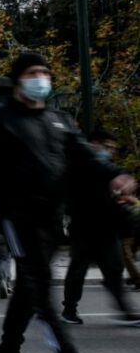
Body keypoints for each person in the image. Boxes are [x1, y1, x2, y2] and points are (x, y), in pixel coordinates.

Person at [0, 52, 137, 353]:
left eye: (45, 72)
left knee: (29, 288)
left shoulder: (57, 120)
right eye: (34, 72)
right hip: (16, 216)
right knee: (40, 285)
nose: (41, 78)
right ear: (18, 80)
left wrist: (114, 174)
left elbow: (86, 156)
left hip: (50, 216)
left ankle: (7, 351)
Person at [60, 129, 140, 325]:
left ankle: (124, 310)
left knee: (113, 269)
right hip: (85, 228)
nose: (110, 151)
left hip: (104, 228)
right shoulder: (82, 164)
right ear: (94, 144)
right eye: (107, 147)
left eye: (112, 148)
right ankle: (69, 310)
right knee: (78, 270)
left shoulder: (102, 165)